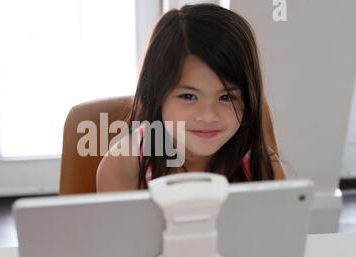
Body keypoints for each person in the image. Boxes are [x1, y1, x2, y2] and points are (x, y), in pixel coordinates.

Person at [97, 3, 286, 192]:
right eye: (188, 96)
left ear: (248, 101)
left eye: (226, 97)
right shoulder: (123, 166)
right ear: (154, 95)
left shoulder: (261, 167)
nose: (208, 116)